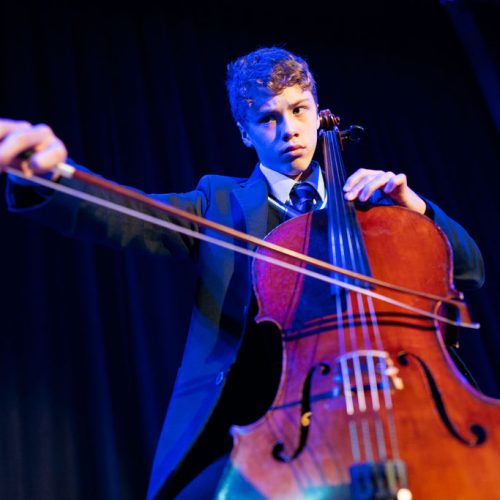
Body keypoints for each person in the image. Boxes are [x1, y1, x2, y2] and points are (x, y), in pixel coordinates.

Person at [0, 47, 484, 499]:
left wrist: (415, 208)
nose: (290, 130)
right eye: (268, 119)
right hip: (269, 426)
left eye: (299, 110)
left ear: (318, 112)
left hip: (399, 403)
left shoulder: (373, 205)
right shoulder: (220, 203)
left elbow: (469, 270)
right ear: (244, 132)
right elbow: (128, 215)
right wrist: (52, 178)